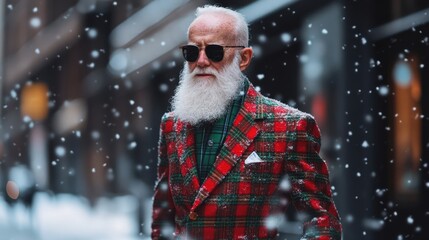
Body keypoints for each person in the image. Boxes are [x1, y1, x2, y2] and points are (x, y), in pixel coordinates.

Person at [151, 5, 342, 240]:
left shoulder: (291, 127)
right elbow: (163, 218)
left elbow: (322, 221)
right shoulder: (172, 125)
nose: (201, 61)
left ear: (244, 58)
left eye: (214, 51)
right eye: (192, 52)